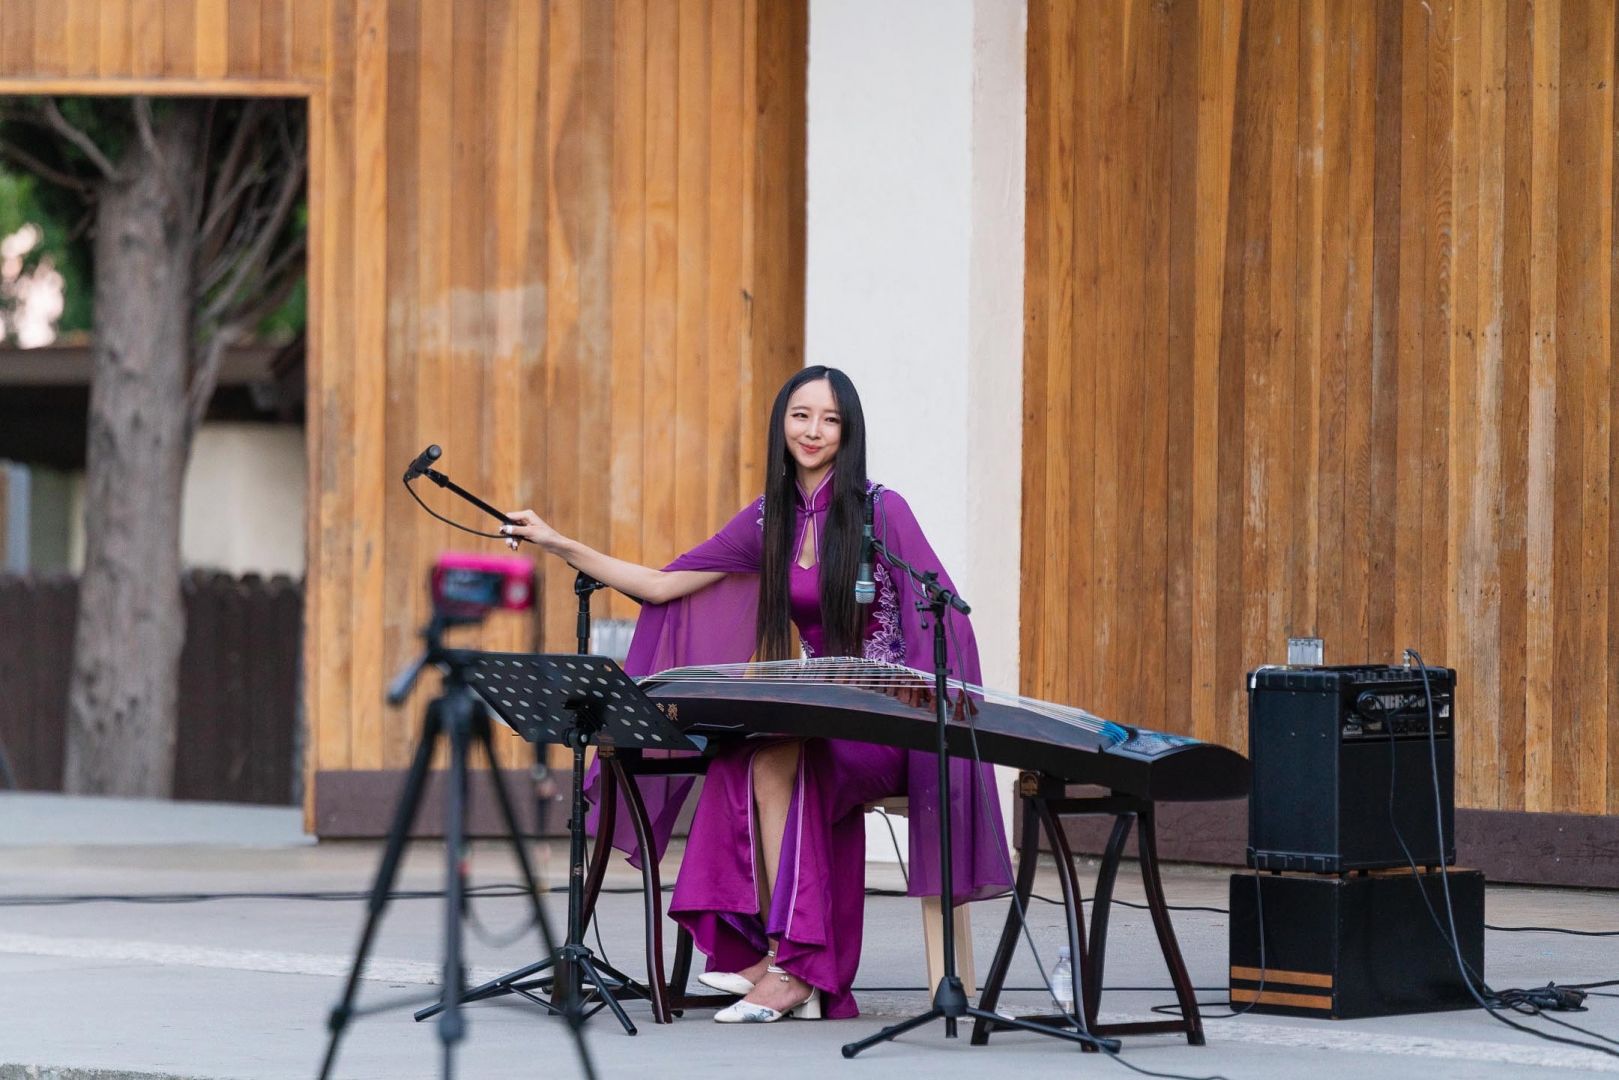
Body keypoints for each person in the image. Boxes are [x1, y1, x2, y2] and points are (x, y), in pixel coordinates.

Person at [501, 365, 1009, 1022]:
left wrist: (916, 705)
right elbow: (661, 586)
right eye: (800, 415)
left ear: (847, 431)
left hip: (890, 724)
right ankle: (774, 962)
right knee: (738, 758)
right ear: (782, 424)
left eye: (828, 418)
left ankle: (792, 967)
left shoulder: (882, 510)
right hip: (825, 718)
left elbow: (943, 617)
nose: (813, 430)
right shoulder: (768, 518)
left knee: (775, 759)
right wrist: (557, 542)